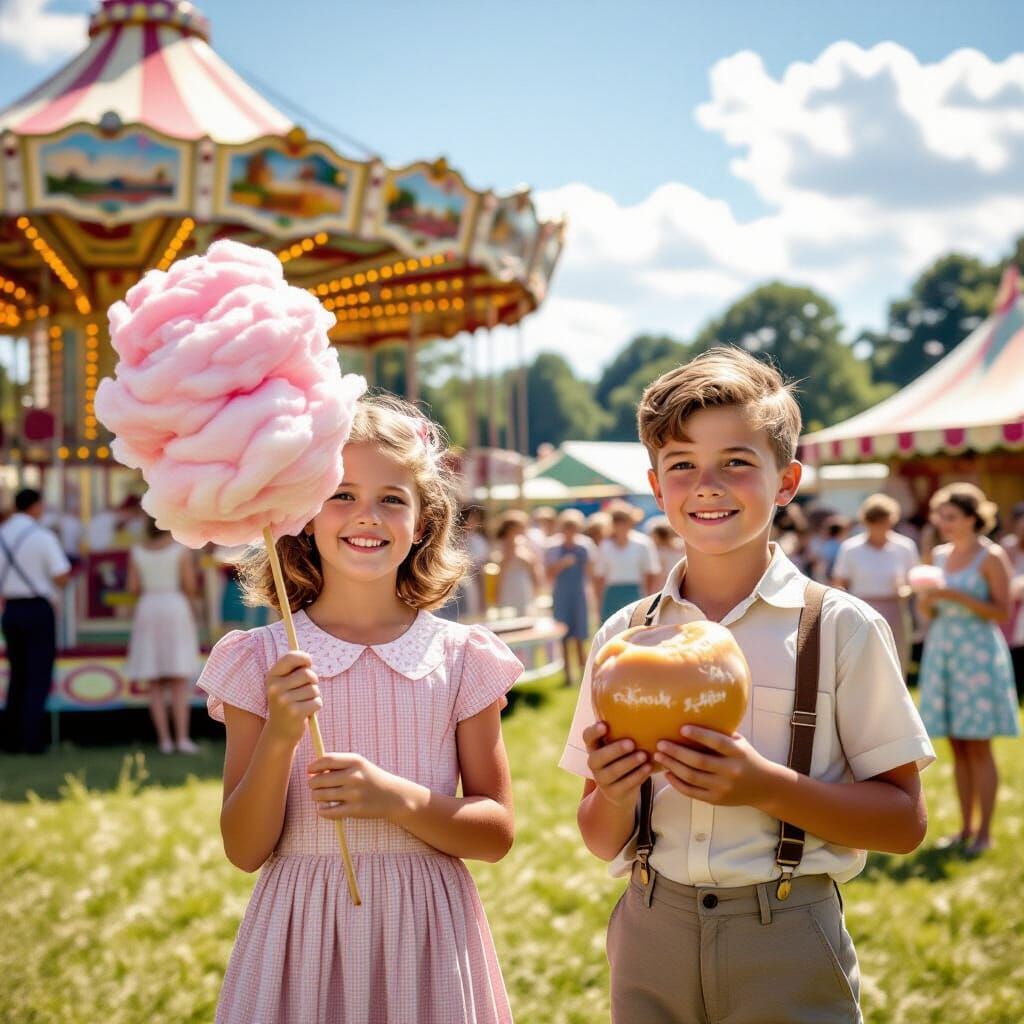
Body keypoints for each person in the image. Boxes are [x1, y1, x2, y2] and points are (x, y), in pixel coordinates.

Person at [560, 347, 932, 1024]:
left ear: (786, 480)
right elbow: (596, 833)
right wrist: (615, 791)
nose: (707, 484)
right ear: (655, 484)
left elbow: (904, 822)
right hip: (651, 926)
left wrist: (766, 788)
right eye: (682, 466)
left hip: (787, 931)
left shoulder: (840, 628)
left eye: (736, 461)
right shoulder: (624, 635)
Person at [197, 395, 520, 1023]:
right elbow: (243, 848)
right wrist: (282, 734)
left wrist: (395, 799)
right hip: (301, 940)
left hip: (428, 937)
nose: (366, 515)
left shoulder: (460, 657)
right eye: (340, 494)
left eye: (391, 498)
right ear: (303, 514)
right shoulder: (262, 660)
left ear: (424, 521)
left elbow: (496, 833)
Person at [917, 483, 1019, 856]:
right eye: (940, 516)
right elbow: (929, 614)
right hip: (943, 649)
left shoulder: (991, 556)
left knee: (978, 746)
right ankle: (964, 828)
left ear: (973, 518)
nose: (943, 523)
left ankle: (985, 833)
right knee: (957, 747)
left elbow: (1002, 612)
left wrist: (956, 596)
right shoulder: (939, 557)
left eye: (951, 516)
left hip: (976, 654)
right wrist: (926, 602)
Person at [0, 488, 72, 754]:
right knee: (38, 675)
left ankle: (11, 738)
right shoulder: (42, 536)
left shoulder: (3, 535)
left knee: (17, 674)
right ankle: (32, 740)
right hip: (37, 608)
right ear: (36, 506)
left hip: (11, 610)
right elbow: (61, 574)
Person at [126, 517, 202, 754]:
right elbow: (190, 586)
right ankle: (182, 738)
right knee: (179, 681)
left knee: (155, 682)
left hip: (148, 606)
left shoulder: (137, 551)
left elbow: (133, 588)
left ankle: (164, 741)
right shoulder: (180, 550)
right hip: (174, 606)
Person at [832, 493, 920, 678]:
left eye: (884, 521)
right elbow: (840, 583)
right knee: (862, 665)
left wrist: (904, 591)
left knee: (897, 662)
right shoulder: (851, 548)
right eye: (874, 521)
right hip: (860, 610)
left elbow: (915, 581)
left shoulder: (904, 546)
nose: (879, 526)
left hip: (895, 609)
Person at [546, 508, 596, 686]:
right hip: (561, 594)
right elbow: (548, 573)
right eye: (567, 527)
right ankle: (568, 674)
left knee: (581, 634)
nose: (570, 531)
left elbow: (591, 571)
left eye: (573, 527)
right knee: (564, 635)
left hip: (579, 593)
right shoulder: (553, 547)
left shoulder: (585, 546)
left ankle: (584, 674)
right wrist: (562, 564)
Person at [593, 500, 660, 621]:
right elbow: (599, 576)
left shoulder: (643, 543)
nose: (621, 524)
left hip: (635, 593)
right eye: (617, 520)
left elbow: (651, 573)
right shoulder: (605, 545)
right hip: (611, 594)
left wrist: (648, 599)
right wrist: (598, 603)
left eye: (624, 520)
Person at [494, 509, 543, 616]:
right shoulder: (503, 545)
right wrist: (498, 590)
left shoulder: (524, 543)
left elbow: (533, 564)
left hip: (523, 584)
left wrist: (536, 583)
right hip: (509, 584)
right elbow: (502, 568)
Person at [646, 515, 684, 590]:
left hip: (669, 585)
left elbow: (658, 575)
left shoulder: (658, 552)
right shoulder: (681, 546)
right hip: (673, 585)